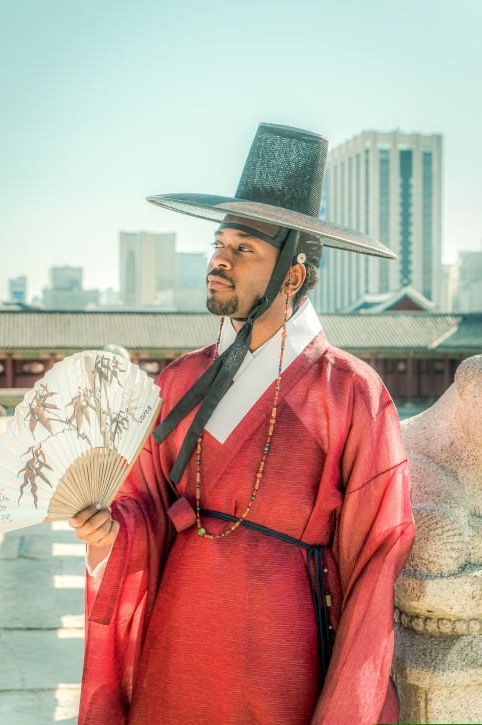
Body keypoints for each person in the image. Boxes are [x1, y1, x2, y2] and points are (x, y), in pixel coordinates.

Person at [71, 123, 415, 725]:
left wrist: (347, 704)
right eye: (219, 244)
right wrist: (112, 529)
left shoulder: (350, 392)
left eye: (244, 249)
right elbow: (142, 503)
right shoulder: (178, 382)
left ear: (293, 276)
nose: (219, 261)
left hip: (285, 651)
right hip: (176, 641)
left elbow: (376, 553)